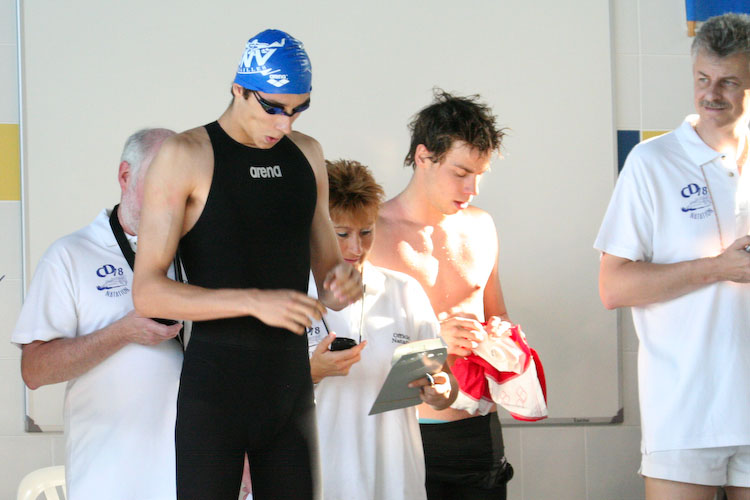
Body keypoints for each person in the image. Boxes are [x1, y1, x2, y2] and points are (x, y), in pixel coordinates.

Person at [131, 29, 362, 500]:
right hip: (216, 390)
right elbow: (148, 293)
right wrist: (254, 302)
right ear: (239, 89)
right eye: (273, 108)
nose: (285, 124)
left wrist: (342, 283)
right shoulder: (185, 156)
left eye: (298, 109)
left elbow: (329, 273)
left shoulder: (307, 154)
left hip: (289, 389)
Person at [596, 13, 750, 500]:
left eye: (729, 82)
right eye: (702, 79)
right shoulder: (652, 162)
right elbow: (613, 287)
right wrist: (718, 268)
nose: (711, 94)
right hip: (685, 412)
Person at [11, 128, 182, 500]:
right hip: (111, 480)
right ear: (125, 175)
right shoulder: (70, 255)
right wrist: (122, 332)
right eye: (161, 179)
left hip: (194, 475)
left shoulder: (197, 256)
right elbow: (34, 371)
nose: (172, 194)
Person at [369, 90, 514, 499]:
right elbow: (356, 352)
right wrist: (435, 342)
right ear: (424, 156)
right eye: (461, 172)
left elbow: (498, 316)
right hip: (404, 429)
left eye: (480, 174)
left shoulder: (482, 226)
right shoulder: (370, 235)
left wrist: (505, 343)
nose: (473, 188)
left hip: (478, 430)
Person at [307, 159, 457, 500]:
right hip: (322, 481)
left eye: (366, 232)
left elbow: (445, 383)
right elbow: (255, 398)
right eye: (342, 234)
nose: (356, 248)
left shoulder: (404, 291)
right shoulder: (288, 297)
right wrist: (311, 372)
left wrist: (441, 390)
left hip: (395, 482)